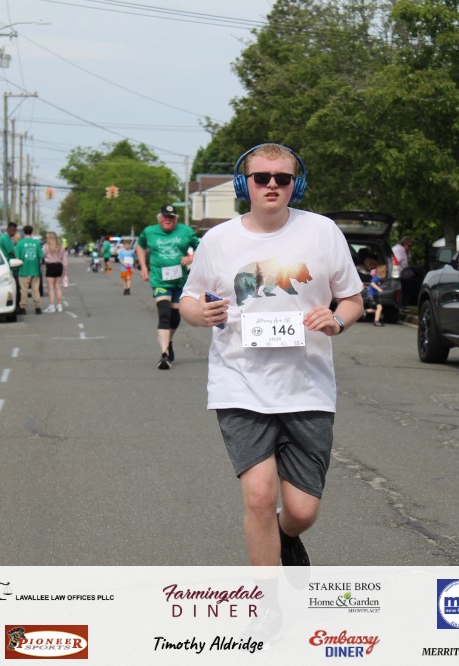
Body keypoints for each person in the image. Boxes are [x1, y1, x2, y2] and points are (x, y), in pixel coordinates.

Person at [179, 143, 364, 570]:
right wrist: (199, 314)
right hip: (239, 383)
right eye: (262, 177)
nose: (272, 185)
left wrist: (337, 320)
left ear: (296, 184)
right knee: (260, 496)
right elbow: (189, 299)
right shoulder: (218, 240)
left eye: (283, 178)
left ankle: (285, 535)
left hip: (308, 387)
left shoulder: (322, 232)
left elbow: (352, 299)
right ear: (244, 184)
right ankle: (267, 600)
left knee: (301, 511)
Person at [136, 205, 200, 369]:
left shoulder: (186, 231)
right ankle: (164, 354)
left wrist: (190, 258)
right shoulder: (150, 232)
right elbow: (140, 246)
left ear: (175, 219)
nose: (168, 220)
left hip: (179, 280)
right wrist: (143, 267)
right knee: (164, 313)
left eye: (171, 217)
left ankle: (169, 341)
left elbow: (202, 248)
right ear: (160, 218)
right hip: (160, 280)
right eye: (165, 217)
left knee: (175, 317)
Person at [15, 225, 44, 314]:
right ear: (32, 232)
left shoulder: (20, 243)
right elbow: (41, 255)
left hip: (23, 270)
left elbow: (17, 257)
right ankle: (38, 307)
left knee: (24, 290)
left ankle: (23, 307)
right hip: (34, 270)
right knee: (35, 289)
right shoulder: (36, 243)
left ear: (23, 232)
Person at [0, 222, 20, 311]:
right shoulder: (5, 238)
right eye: (15, 231)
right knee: (16, 287)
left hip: (10, 264)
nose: (15, 233)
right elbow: (13, 252)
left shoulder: (6, 238)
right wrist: (19, 259)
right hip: (10, 265)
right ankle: (17, 306)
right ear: (12, 230)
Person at [43, 231, 66, 312]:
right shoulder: (60, 247)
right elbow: (64, 259)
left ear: (50, 238)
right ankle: (59, 305)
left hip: (50, 266)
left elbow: (42, 255)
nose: (46, 239)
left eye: (47, 237)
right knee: (58, 286)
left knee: (51, 288)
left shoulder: (46, 247)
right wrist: (65, 269)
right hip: (59, 266)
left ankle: (51, 305)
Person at [392, 236, 416, 305]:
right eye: (409, 246)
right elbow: (397, 262)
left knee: (406, 288)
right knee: (405, 289)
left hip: (402, 272)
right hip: (400, 272)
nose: (410, 248)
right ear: (405, 243)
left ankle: (404, 304)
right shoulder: (399, 250)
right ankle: (403, 304)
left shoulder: (404, 251)